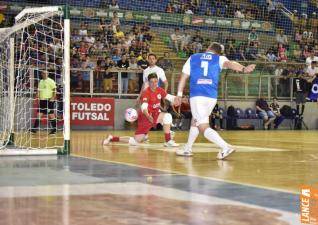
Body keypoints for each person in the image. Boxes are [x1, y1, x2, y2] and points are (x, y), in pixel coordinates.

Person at [175, 42, 256, 159]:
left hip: (198, 95)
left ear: (207, 48)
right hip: (211, 97)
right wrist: (244, 68)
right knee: (196, 120)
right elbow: (230, 64)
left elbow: (183, 77)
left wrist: (179, 94)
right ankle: (188, 148)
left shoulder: (193, 57)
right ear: (218, 52)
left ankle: (225, 147)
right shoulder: (219, 58)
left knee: (202, 125)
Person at [103, 73, 180, 147]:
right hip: (145, 118)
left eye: (156, 81)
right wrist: (148, 116)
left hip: (155, 115)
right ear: (148, 82)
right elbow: (144, 107)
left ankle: (168, 140)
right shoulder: (146, 93)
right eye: (151, 82)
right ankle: (112, 138)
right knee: (135, 142)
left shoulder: (159, 90)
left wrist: (175, 99)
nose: (154, 84)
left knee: (167, 116)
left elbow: (169, 97)